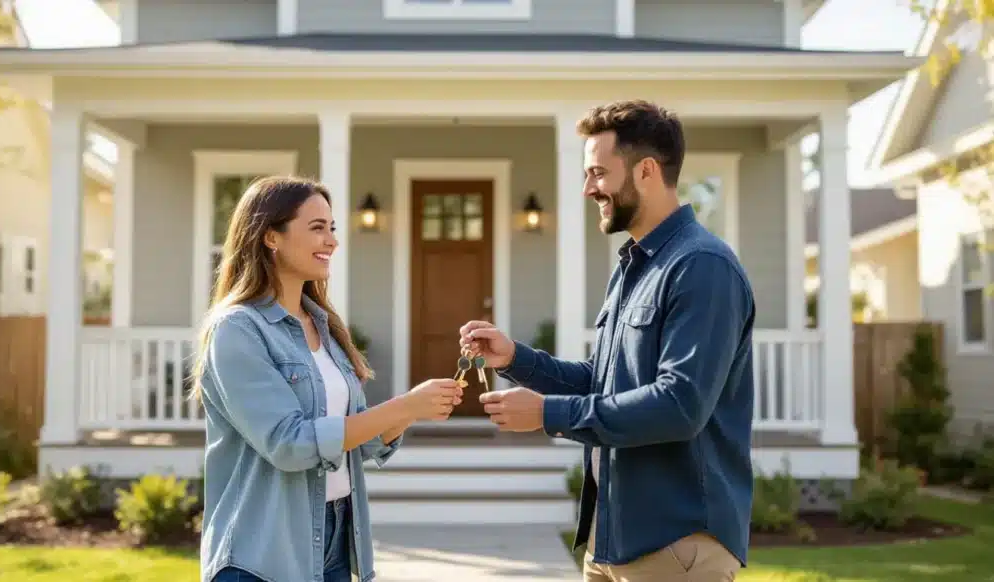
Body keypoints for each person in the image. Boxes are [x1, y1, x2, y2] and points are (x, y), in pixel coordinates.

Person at [460, 100, 756, 581]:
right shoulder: (634, 267)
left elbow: (680, 405)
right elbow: (603, 383)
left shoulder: (702, 267)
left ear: (646, 171)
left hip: (675, 546)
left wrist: (546, 414)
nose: (587, 188)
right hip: (612, 538)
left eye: (598, 172)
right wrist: (515, 357)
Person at [192, 175, 463, 582]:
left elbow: (352, 441)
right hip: (262, 554)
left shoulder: (322, 324)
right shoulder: (238, 330)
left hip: (336, 539)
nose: (332, 241)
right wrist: (403, 406)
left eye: (332, 228)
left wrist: (414, 409)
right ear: (271, 237)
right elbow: (290, 445)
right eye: (317, 228)